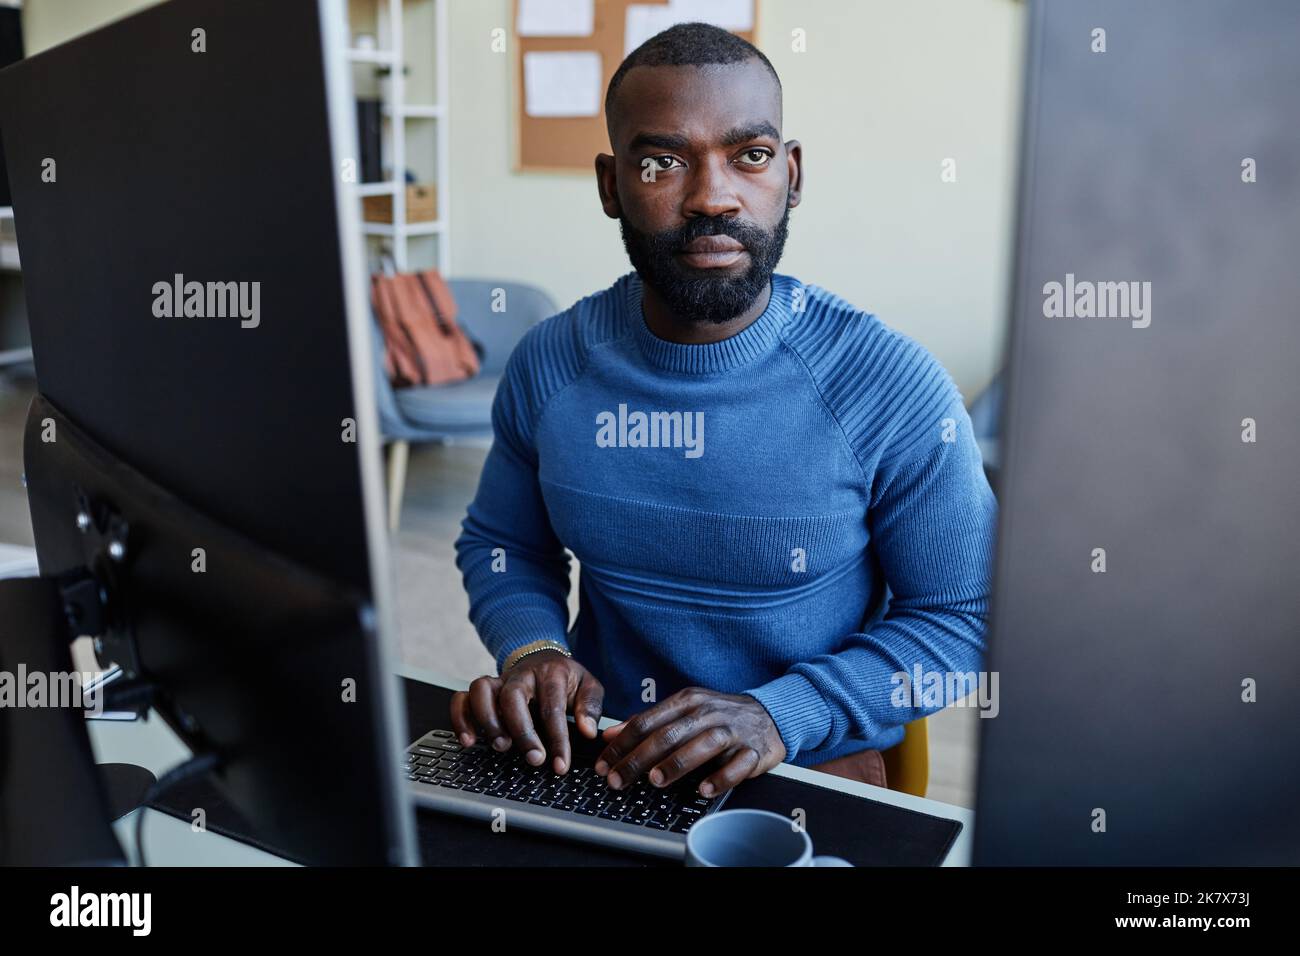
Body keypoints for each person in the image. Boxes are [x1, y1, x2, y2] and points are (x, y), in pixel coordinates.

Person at [451, 23, 997, 799]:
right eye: (663, 161)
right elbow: (504, 543)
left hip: (806, 768)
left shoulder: (891, 385)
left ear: (792, 173)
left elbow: (963, 616)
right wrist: (531, 649)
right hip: (601, 761)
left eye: (751, 155)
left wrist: (779, 714)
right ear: (612, 185)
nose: (713, 197)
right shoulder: (549, 364)